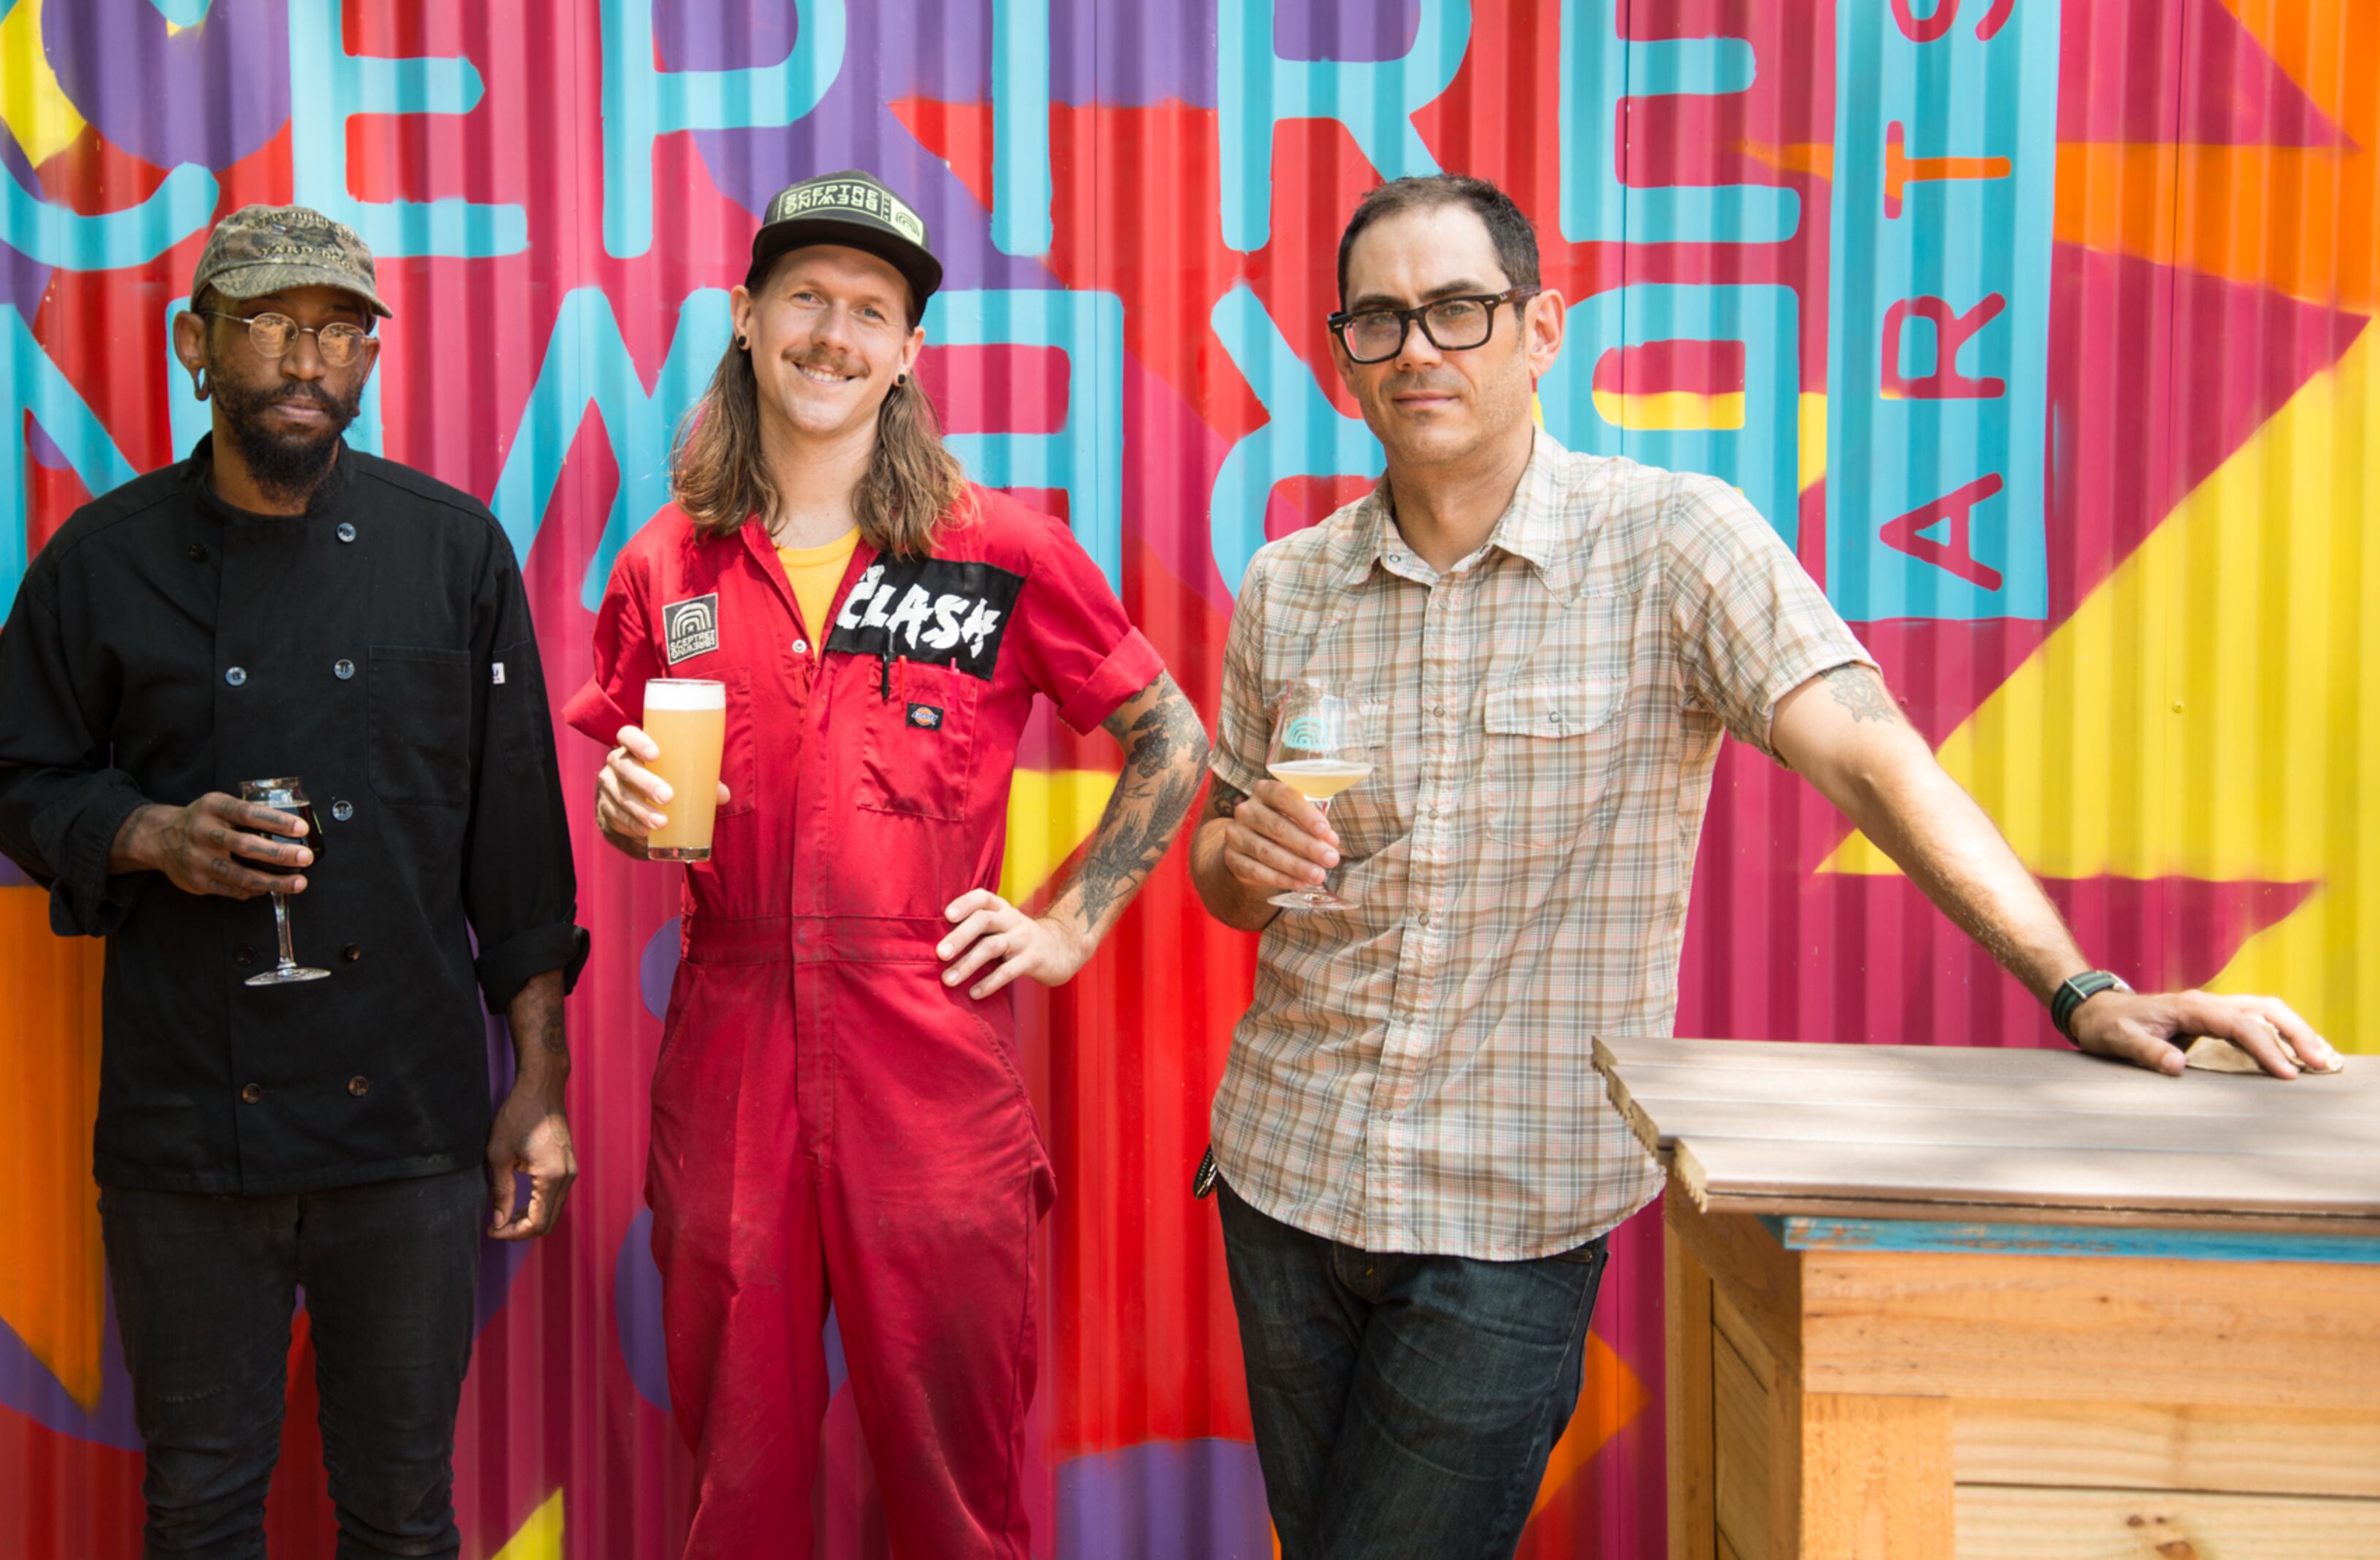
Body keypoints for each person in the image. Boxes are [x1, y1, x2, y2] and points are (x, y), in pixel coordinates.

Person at [1187, 173, 2342, 1560]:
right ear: (1342, 354)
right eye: (1379, 320)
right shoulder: (1290, 582)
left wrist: (2081, 987)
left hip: (1505, 1212)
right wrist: (1237, 865)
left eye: (1459, 309)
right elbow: (1223, 862)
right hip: (1283, 1176)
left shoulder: (1672, 542)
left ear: (1541, 329)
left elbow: (1874, 761)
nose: (1419, 348)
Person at [567, 170, 1210, 1559]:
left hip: (928, 1060)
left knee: (951, 1489)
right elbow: (637, 787)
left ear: (909, 351)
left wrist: (1069, 925)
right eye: (805, 296)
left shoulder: (1001, 554)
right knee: (733, 1487)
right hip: (730, 1049)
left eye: (872, 309)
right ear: (747, 317)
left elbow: (1172, 737)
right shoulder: (666, 567)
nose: (832, 332)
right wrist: (630, 813)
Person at [0, 203, 588, 1560]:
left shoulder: (453, 552)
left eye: (341, 330)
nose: (309, 359)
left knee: (406, 1517)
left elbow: (519, 850)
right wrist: (151, 836)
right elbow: (7, 768)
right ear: (196, 344)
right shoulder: (103, 561)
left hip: (410, 1124)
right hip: (189, 1126)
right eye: (271, 325)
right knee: (197, 1510)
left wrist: (537, 1086)